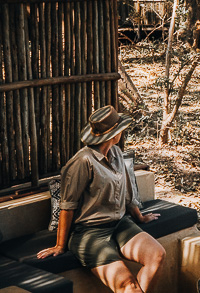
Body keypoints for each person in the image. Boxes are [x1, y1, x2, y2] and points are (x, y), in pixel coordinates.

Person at [37, 105, 166, 293]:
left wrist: (140, 217)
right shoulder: (83, 162)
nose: (123, 132)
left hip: (120, 224)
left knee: (157, 255)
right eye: (120, 128)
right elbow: (67, 206)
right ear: (113, 134)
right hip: (89, 233)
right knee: (128, 286)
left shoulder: (116, 154)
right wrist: (59, 245)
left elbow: (127, 194)